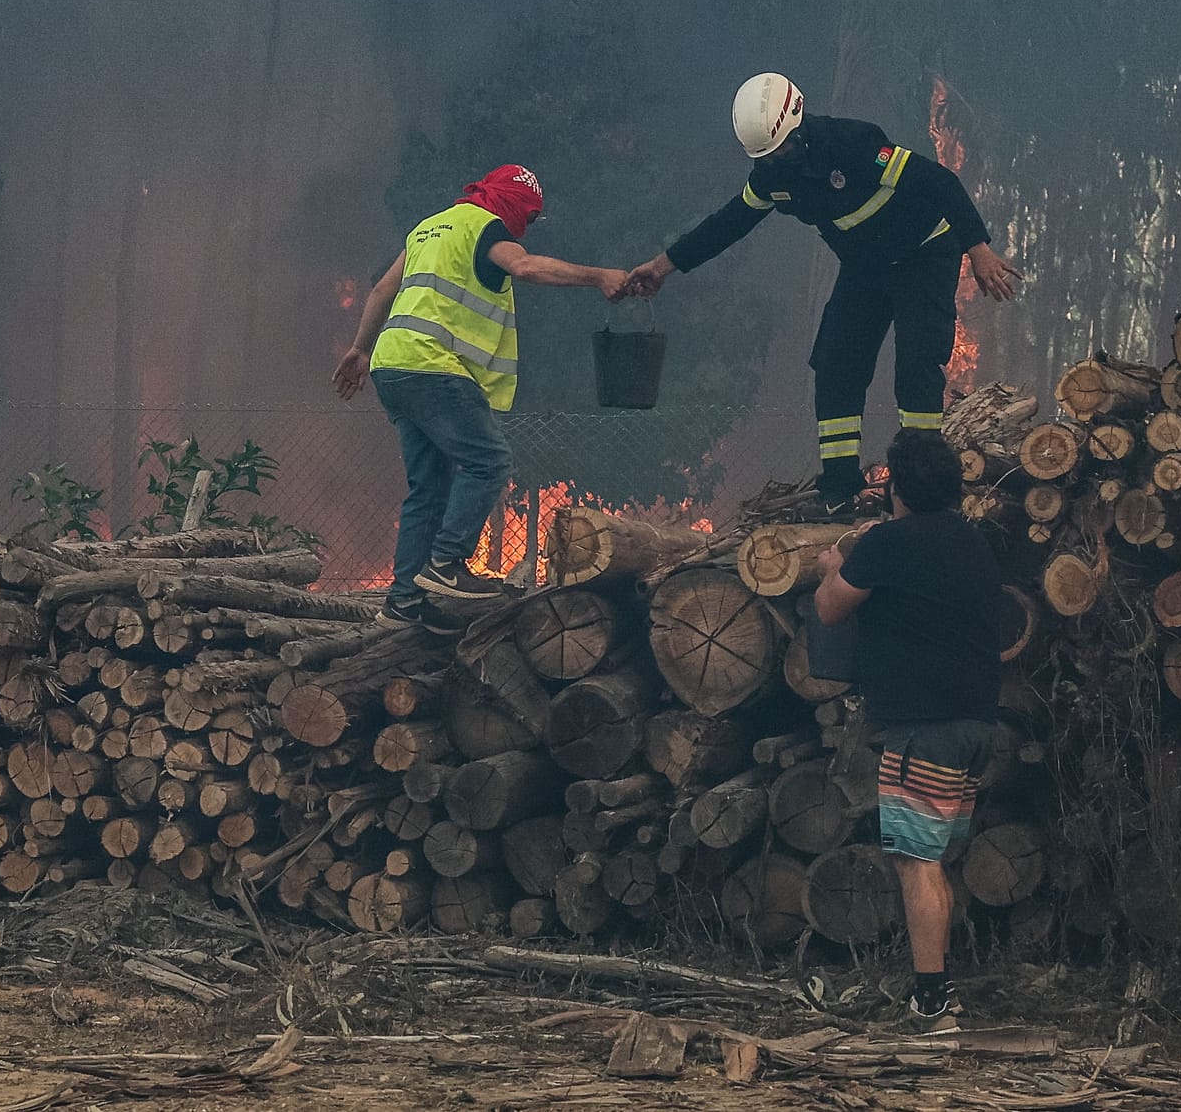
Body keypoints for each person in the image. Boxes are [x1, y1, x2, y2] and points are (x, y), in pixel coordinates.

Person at [622, 73, 1023, 515]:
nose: (780, 163)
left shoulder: (853, 144)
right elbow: (728, 223)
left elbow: (939, 183)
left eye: (785, 150)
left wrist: (978, 248)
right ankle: (838, 491)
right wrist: (664, 265)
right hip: (865, 269)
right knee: (836, 364)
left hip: (924, 255)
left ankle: (919, 488)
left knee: (916, 363)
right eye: (768, 157)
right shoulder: (772, 177)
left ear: (799, 125)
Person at [334, 165, 629, 628]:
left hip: (392, 366)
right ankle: (446, 564)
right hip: (435, 368)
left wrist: (358, 349)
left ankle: (404, 602)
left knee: (427, 490)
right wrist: (597, 277)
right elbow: (527, 267)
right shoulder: (485, 227)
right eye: (528, 218)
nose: (524, 228)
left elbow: (381, 289)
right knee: (488, 461)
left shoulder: (428, 228)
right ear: (512, 205)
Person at [813, 427, 1002, 1033]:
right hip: (975, 721)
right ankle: (940, 986)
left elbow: (831, 608)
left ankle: (932, 1001)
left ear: (897, 487)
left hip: (924, 727)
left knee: (915, 862)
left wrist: (831, 565)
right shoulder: (973, 543)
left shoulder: (887, 543)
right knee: (937, 858)